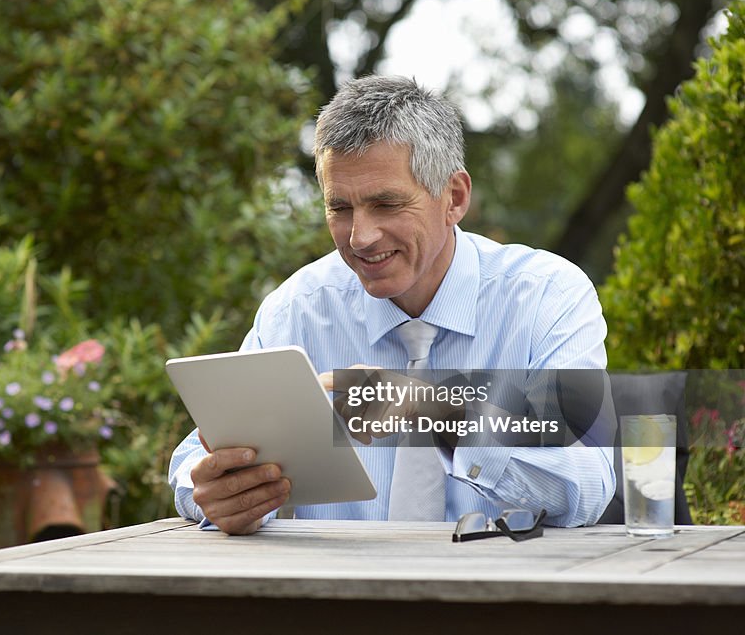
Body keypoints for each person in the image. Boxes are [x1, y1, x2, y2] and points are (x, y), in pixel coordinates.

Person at [168, 75, 615, 535]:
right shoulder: (297, 310)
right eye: (340, 208)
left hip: (499, 595)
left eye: (386, 204)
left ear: (455, 198)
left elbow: (587, 484)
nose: (360, 237)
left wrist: (435, 412)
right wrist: (211, 492)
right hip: (336, 597)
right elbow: (196, 460)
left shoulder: (548, 297)